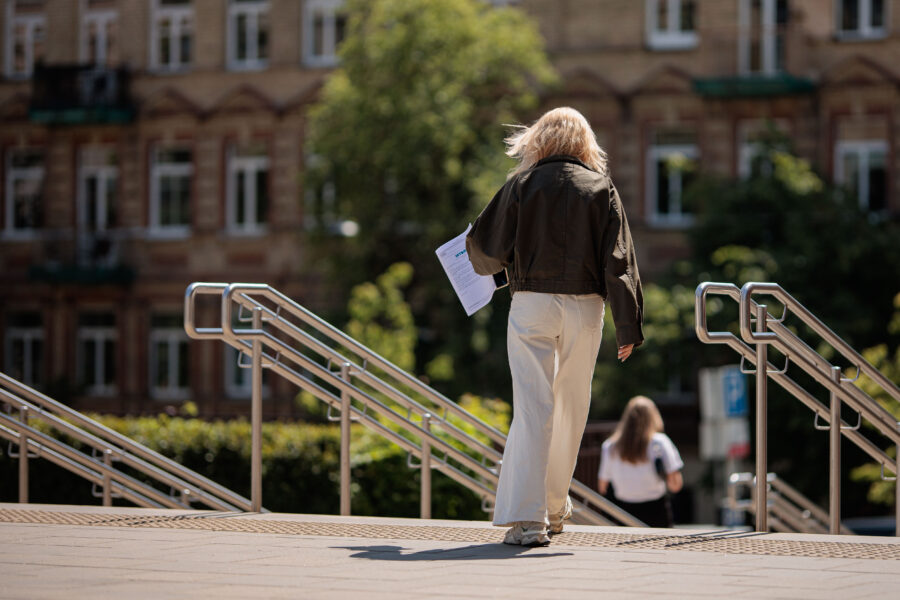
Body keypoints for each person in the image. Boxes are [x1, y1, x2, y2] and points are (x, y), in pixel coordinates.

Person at [465, 107, 644, 546]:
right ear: (586, 142)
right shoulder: (602, 188)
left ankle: (529, 521)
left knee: (533, 408)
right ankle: (553, 508)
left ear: (539, 139)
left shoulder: (522, 185)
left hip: (533, 305)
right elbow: (619, 262)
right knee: (570, 410)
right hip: (586, 309)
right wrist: (628, 325)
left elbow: (485, 251)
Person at [598, 396, 684, 528]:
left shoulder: (610, 446)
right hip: (656, 510)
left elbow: (603, 486)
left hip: (624, 511)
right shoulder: (660, 443)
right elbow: (675, 485)